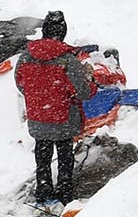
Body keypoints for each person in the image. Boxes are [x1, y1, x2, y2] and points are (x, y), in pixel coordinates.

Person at [16, 12, 92, 206]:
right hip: (62, 117)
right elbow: (82, 92)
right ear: (62, 32)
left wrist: (38, 97)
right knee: (65, 154)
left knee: (42, 154)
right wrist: (91, 82)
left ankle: (43, 190)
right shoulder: (67, 60)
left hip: (37, 116)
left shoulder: (25, 57)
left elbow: (20, 83)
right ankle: (64, 192)